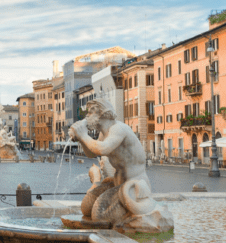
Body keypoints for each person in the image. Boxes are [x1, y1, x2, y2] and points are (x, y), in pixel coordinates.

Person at [68, 98, 172, 231]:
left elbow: (102, 149)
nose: (87, 115)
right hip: (117, 184)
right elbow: (92, 154)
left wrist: (83, 135)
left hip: (133, 185)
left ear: (103, 113)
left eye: (92, 112)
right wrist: (81, 139)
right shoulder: (103, 134)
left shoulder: (118, 129)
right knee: (86, 207)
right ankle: (99, 182)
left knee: (99, 215)